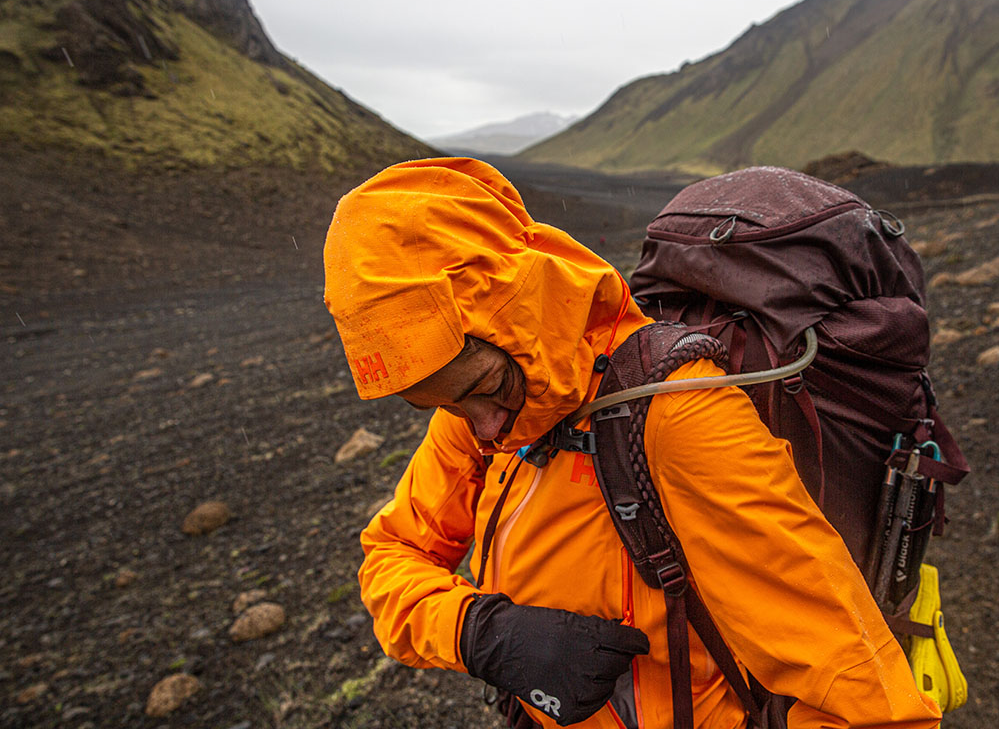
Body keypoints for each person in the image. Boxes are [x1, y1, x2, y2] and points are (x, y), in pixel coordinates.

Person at [323, 157, 942, 729]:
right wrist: (479, 633)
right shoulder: (477, 416)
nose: (480, 427)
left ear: (515, 313)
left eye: (487, 387)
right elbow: (392, 555)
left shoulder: (678, 412)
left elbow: (858, 691)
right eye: (441, 403)